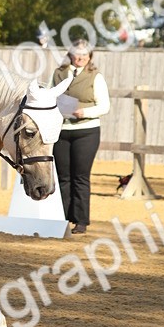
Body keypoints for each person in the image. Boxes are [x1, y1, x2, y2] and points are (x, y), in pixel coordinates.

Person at [51, 40, 110, 235]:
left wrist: (84, 112)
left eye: (84, 55)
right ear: (70, 54)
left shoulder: (95, 77)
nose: (80, 58)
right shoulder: (58, 73)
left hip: (86, 131)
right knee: (63, 177)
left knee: (80, 177)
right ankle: (62, 219)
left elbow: (104, 106)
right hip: (62, 130)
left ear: (90, 57)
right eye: (77, 54)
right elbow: (51, 96)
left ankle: (81, 220)